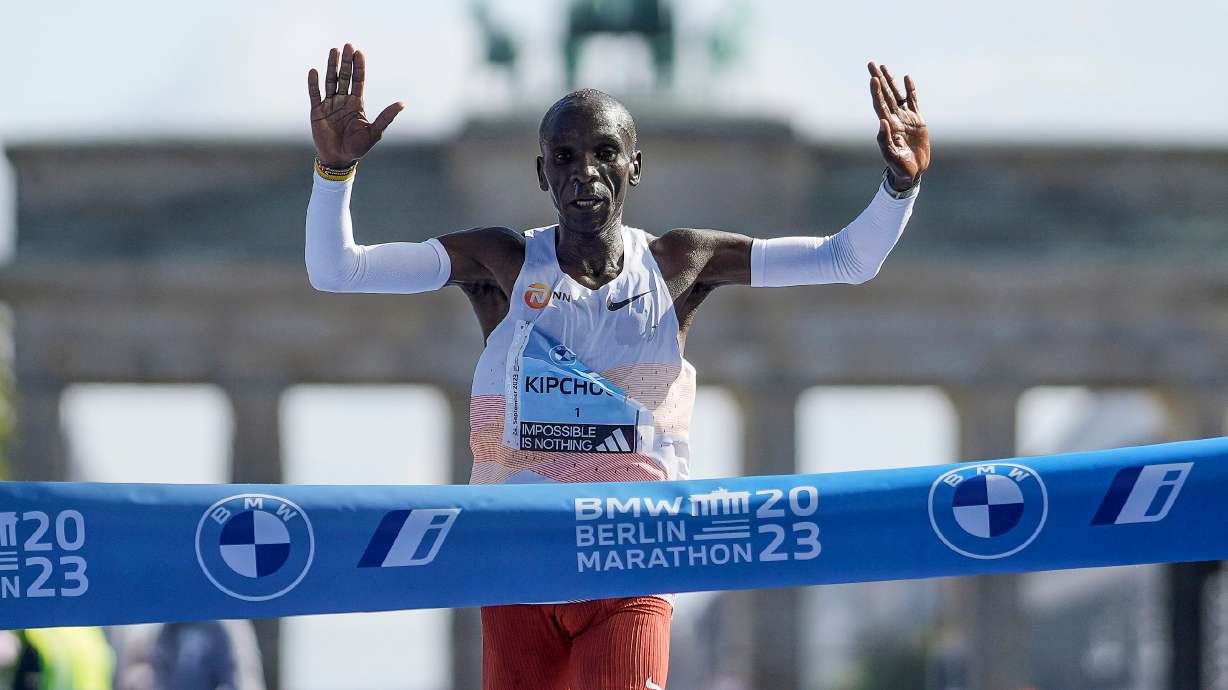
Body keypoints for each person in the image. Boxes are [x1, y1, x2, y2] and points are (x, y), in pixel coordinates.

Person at [304, 43, 929, 690]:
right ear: (542, 173)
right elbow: (337, 271)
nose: (586, 172)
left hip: (631, 554)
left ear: (635, 166)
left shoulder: (679, 262)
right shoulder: (501, 261)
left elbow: (846, 260)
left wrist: (899, 185)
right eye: (565, 157)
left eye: (605, 153)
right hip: (517, 554)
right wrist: (332, 171)